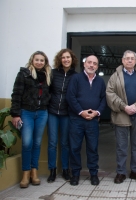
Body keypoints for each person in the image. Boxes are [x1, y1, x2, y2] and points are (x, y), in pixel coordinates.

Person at [106, 50, 136, 184]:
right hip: (121, 115)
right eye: (127, 58)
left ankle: (135, 171)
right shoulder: (115, 76)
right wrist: (124, 107)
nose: (130, 61)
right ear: (122, 60)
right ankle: (121, 172)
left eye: (132, 58)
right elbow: (109, 93)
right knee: (121, 146)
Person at [10, 51, 51, 188]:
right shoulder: (24, 74)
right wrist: (16, 114)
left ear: (45, 62)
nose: (39, 62)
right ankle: (25, 173)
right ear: (32, 60)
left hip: (42, 113)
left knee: (37, 143)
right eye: (37, 60)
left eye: (42, 60)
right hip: (26, 112)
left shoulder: (47, 76)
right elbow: (16, 94)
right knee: (27, 143)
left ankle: (34, 172)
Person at [66, 55, 106, 186]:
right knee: (75, 147)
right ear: (84, 64)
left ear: (97, 66)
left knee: (92, 148)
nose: (92, 65)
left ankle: (93, 174)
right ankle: (75, 174)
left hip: (93, 121)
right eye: (89, 62)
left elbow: (103, 99)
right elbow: (70, 96)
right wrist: (81, 112)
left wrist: (97, 112)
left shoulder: (100, 81)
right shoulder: (75, 78)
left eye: (95, 63)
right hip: (76, 119)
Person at [47, 49, 78, 183]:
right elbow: (47, 91)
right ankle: (52, 170)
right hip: (52, 113)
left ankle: (65, 169)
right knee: (52, 143)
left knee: (65, 143)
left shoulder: (75, 76)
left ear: (72, 59)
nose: (66, 60)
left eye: (68, 57)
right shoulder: (53, 73)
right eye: (63, 57)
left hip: (67, 114)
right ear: (60, 59)